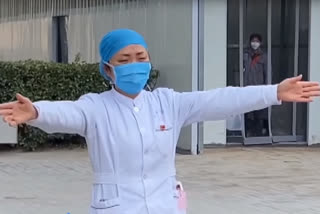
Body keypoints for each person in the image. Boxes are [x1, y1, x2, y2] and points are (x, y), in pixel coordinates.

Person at [0, 29, 319, 214]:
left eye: (141, 58)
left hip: (165, 205)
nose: (134, 65)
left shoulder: (168, 103)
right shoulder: (96, 108)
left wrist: (274, 92)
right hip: (117, 208)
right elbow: (68, 113)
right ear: (108, 70)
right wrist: (38, 112)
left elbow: (220, 99)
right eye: (124, 60)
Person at [244, 33, 269, 137]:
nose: (255, 43)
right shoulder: (245, 55)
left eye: (257, 41)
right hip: (247, 87)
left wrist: (267, 87)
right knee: (248, 110)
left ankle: (259, 132)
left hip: (260, 87)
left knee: (259, 110)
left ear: (260, 43)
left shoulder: (263, 56)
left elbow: (267, 72)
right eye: (253, 41)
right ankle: (248, 131)